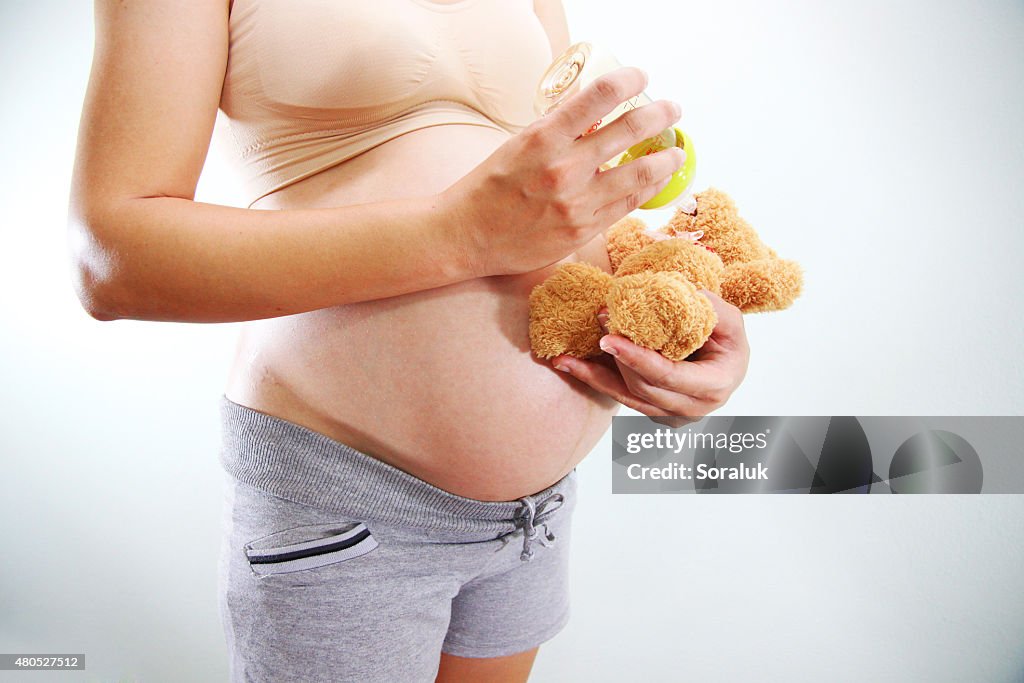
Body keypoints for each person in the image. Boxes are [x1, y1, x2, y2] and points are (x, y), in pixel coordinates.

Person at [67, 0, 749, 680]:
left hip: (530, 520)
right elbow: (112, 257)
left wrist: (680, 335)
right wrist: (460, 236)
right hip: (347, 512)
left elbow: (548, 198)